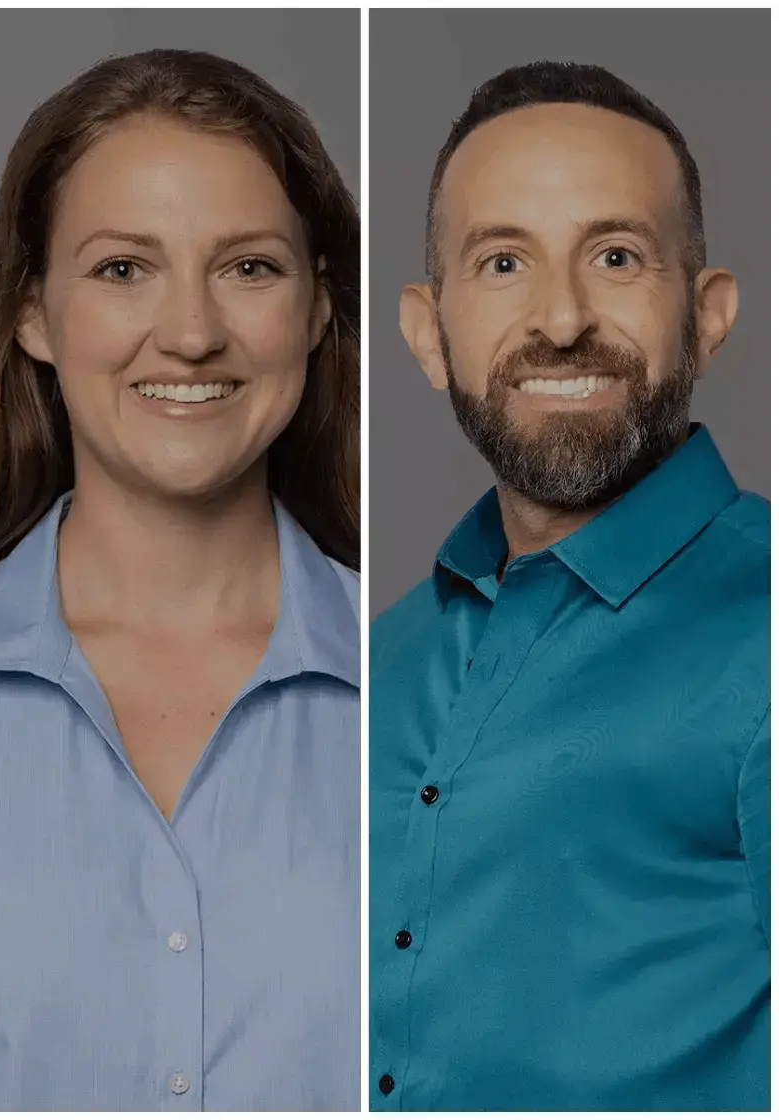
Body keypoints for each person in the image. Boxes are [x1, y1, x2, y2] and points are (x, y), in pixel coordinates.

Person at [0, 49, 362, 1111]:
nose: (189, 333)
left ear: (319, 309)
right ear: (33, 313)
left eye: (250, 267)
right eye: (124, 268)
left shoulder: (425, 685)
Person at [370, 61, 767, 1111]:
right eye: (503, 261)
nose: (559, 319)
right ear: (426, 331)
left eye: (617, 255)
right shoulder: (384, 655)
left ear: (710, 313)